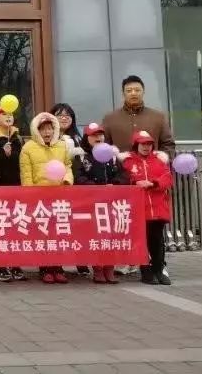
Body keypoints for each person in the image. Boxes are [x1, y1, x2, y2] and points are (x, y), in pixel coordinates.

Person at [20, 112, 73, 284]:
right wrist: (29, 196)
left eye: (50, 128)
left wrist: (67, 180)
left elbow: (68, 166)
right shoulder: (28, 148)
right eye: (43, 129)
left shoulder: (62, 146)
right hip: (39, 198)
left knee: (58, 232)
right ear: (37, 130)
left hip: (59, 196)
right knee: (43, 233)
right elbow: (26, 175)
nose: (47, 132)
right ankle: (44, 268)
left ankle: (58, 267)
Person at [73, 123, 129, 284]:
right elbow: (78, 177)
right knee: (96, 237)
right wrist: (95, 188)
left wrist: (115, 184)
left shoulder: (112, 156)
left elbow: (123, 176)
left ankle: (109, 268)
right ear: (87, 138)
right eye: (94, 135)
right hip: (92, 204)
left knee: (111, 237)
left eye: (100, 134)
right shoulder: (81, 156)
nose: (98, 138)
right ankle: (97, 269)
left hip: (112, 204)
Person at [119, 130, 174, 285]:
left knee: (158, 240)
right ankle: (146, 271)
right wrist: (135, 183)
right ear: (136, 145)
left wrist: (154, 183)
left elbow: (168, 178)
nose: (146, 147)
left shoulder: (159, 160)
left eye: (149, 144)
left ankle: (159, 270)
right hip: (138, 209)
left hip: (158, 208)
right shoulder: (128, 162)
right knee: (142, 241)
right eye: (143, 144)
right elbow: (123, 179)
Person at [0, 107, 26, 283]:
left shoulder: (18, 138)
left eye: (10, 114)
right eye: (4, 114)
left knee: (16, 227)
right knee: (0, 228)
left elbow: (24, 162)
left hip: (16, 188)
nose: (8, 117)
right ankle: (0, 265)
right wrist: (3, 152)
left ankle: (15, 263)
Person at [50, 103, 88, 276]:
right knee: (57, 226)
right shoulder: (49, 137)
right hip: (56, 186)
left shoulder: (80, 138)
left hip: (78, 185)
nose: (64, 117)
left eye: (68, 115)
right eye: (60, 114)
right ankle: (54, 264)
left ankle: (81, 259)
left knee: (79, 225)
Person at [103, 75, 175, 155]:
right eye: (129, 91)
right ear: (123, 94)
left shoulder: (158, 117)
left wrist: (162, 159)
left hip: (151, 163)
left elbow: (168, 144)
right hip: (120, 163)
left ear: (143, 92)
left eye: (137, 90)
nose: (133, 93)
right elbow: (103, 146)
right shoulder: (110, 119)